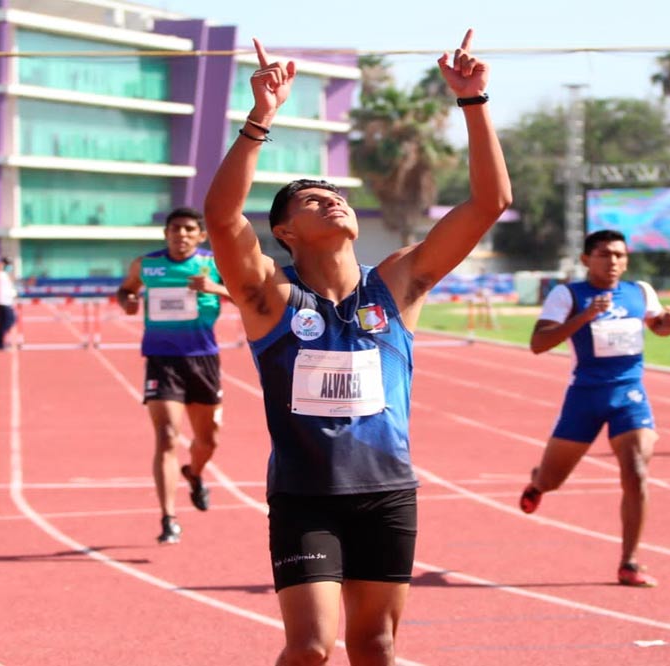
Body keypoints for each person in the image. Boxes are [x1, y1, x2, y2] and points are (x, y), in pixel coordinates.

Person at [201, 32, 509, 665]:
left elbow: (488, 203)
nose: (332, 200)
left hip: (387, 491)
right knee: (313, 648)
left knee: (376, 649)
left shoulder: (398, 282)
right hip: (307, 495)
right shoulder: (271, 298)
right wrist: (260, 118)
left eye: (337, 196)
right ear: (285, 231)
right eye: (314, 200)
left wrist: (474, 101)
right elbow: (223, 219)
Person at [518, 229, 670, 588]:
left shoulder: (639, 292)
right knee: (553, 479)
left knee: (637, 470)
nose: (614, 262)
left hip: (630, 394)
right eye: (605, 254)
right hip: (585, 398)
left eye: (620, 255)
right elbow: (538, 344)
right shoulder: (568, 295)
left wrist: (668, 324)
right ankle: (537, 482)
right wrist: (585, 316)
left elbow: (659, 327)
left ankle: (630, 562)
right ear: (586, 260)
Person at [117, 207, 230, 545]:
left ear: (200, 235)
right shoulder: (146, 265)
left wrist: (214, 288)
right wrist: (129, 301)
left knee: (208, 440)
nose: (181, 235)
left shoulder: (213, 264)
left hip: (202, 361)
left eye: (188, 229)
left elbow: (248, 297)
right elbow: (125, 290)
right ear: (166, 233)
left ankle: (194, 473)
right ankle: (168, 518)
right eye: (175, 229)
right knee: (166, 436)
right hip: (161, 360)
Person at [0, 256, 17, 350]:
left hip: (7, 301)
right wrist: (0, 265)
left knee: (3, 322)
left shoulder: (5, 275)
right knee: (9, 320)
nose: (10, 267)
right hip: (2, 301)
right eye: (8, 265)